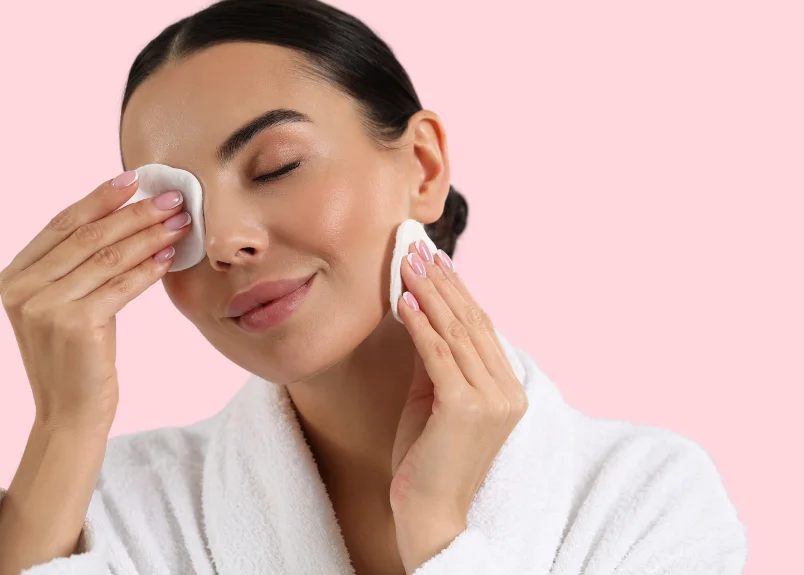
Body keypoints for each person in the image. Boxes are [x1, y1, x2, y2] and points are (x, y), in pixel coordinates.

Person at [0, 1, 747, 573]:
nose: (224, 241)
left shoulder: (645, 498)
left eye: (276, 166)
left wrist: (439, 534)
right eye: (178, 211)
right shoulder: (115, 504)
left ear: (421, 166)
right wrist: (65, 426)